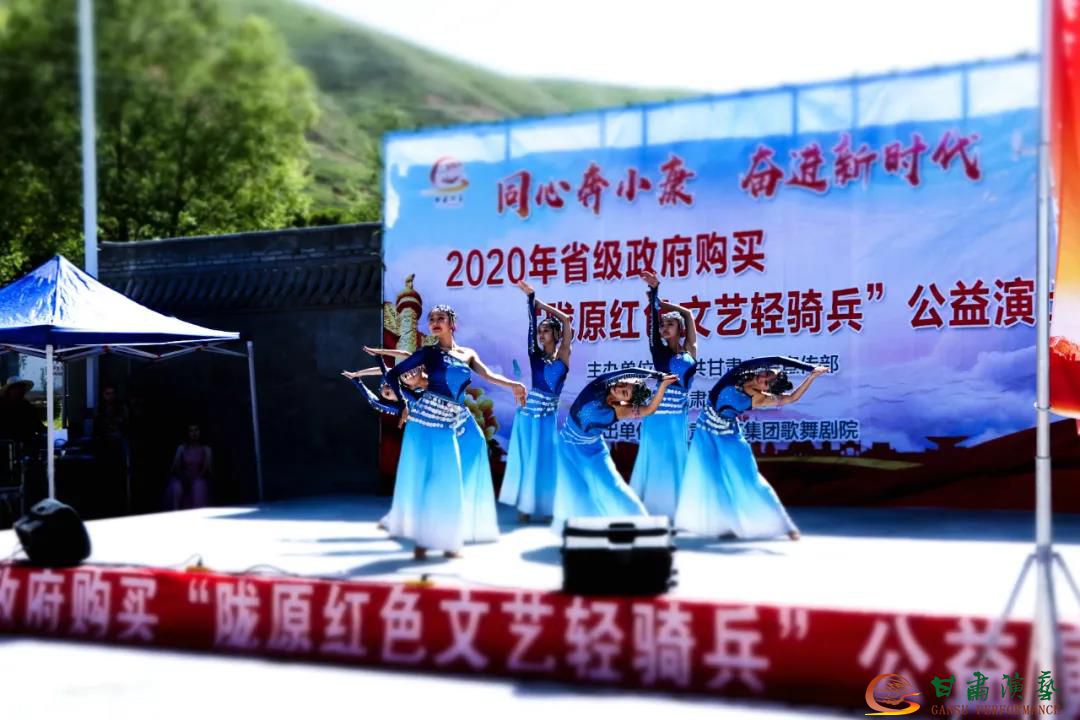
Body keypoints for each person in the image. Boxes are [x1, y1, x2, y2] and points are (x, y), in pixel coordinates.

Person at [383, 304, 527, 560]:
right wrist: (404, 404)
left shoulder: (467, 353)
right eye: (431, 319)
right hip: (430, 418)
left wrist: (514, 384)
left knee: (475, 448)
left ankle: (454, 526)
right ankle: (433, 538)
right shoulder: (428, 353)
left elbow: (488, 375)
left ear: (452, 323)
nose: (435, 322)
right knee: (441, 477)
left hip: (457, 416)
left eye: (440, 318)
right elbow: (393, 374)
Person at [674, 357, 829, 541]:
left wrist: (811, 377)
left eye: (768, 382)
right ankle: (723, 525)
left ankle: (784, 525)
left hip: (729, 436)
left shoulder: (761, 398)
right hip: (704, 433)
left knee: (750, 479)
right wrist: (809, 367)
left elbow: (792, 398)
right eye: (767, 373)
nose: (763, 377)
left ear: (768, 390)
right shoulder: (737, 374)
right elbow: (776, 359)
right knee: (710, 478)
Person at [552, 368, 679, 529]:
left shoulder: (620, 410)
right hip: (568, 447)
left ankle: (642, 526)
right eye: (623, 383)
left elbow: (649, 410)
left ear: (626, 401)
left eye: (624, 393)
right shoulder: (598, 386)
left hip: (594, 452)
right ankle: (582, 531)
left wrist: (663, 387)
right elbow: (629, 371)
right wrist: (658, 375)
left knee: (612, 489)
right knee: (574, 493)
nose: (619, 388)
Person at [498, 281, 572, 522]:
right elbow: (531, 326)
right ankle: (525, 506)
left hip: (548, 417)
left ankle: (547, 505)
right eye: (540, 331)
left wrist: (540, 304)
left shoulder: (563, 355)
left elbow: (566, 320)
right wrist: (531, 302)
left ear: (556, 335)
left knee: (546, 461)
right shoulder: (535, 355)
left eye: (546, 331)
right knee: (528, 460)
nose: (541, 334)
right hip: (529, 415)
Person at [629, 271, 698, 517]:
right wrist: (654, 295)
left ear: (680, 328)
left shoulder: (690, 350)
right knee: (656, 457)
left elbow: (688, 314)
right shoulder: (658, 350)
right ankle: (650, 508)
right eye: (662, 325)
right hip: (657, 413)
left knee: (676, 457)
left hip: (678, 416)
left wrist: (661, 299)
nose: (664, 327)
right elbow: (652, 323)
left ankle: (677, 508)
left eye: (670, 324)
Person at [165, 423, 212, 510]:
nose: (194, 433)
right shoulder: (181, 448)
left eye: (196, 430)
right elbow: (175, 467)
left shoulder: (206, 449)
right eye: (191, 431)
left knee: (199, 486)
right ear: (187, 433)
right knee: (176, 487)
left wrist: (195, 478)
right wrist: (183, 478)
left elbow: (206, 468)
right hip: (183, 477)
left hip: (198, 477)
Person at [0, 377, 43, 443]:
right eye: (17, 388)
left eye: (22, 388)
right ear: (9, 390)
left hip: (27, 443)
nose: (20, 391)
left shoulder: (27, 406)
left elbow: (38, 426)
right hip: (6, 443)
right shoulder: (2, 406)